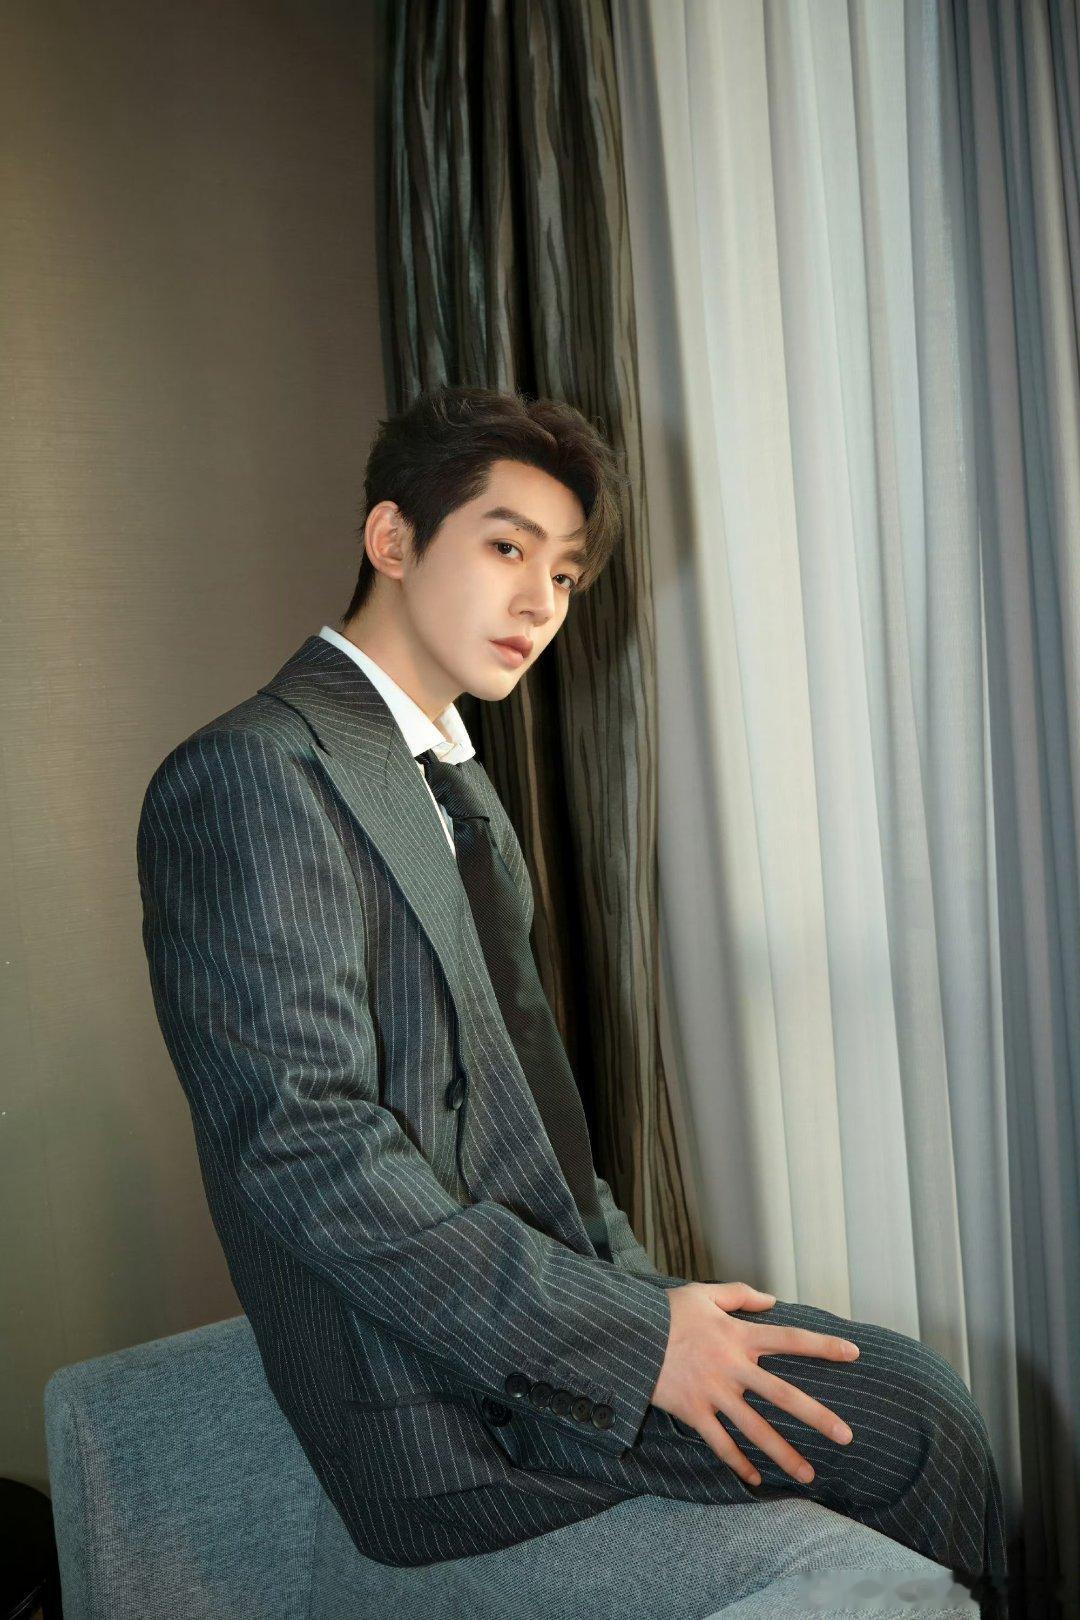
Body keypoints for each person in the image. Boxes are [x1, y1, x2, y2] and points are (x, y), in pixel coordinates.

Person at [137, 385, 1007, 1618]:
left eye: (566, 572)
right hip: (434, 1404)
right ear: (393, 539)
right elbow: (305, 1150)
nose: (542, 602)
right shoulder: (252, 774)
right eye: (507, 548)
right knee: (912, 1418)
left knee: (905, 1400)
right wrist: (635, 1344)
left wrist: (648, 1302)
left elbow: (537, 1113)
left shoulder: (451, 781)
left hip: (544, 1322)